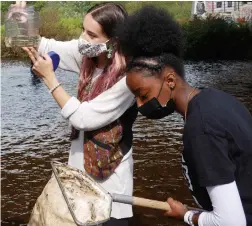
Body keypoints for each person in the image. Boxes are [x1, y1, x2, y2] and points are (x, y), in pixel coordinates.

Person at [116, 6, 252, 226]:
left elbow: (231, 221)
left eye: (143, 95)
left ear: (170, 80)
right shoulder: (216, 100)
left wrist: (186, 216)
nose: (140, 106)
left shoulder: (201, 127)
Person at [17, 1, 137, 225]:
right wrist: (24, 22)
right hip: (79, 176)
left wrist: (50, 79)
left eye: (91, 34)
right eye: (83, 29)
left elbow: (84, 118)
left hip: (111, 183)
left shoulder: (128, 79)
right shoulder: (87, 55)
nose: (84, 38)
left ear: (114, 41)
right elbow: (44, 45)